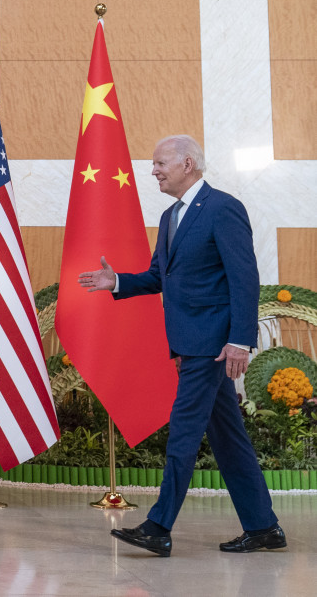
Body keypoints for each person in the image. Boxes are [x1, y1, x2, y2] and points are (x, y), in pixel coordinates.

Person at [79, 134, 284, 557]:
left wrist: (240, 341)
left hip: (212, 346)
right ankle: (264, 527)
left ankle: (158, 525)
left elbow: (244, 279)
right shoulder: (170, 217)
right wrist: (116, 281)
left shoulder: (224, 208)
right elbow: (159, 276)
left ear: (188, 163)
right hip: (190, 345)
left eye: (159, 163)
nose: (153, 170)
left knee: (184, 434)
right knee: (229, 440)